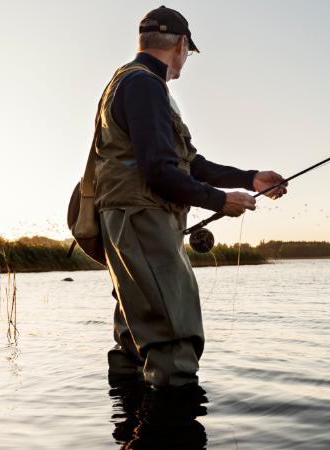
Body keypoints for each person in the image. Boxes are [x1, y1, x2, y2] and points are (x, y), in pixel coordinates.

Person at [94, 6, 287, 389]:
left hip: (128, 221)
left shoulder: (130, 82)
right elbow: (159, 172)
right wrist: (219, 201)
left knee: (134, 337)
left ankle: (131, 427)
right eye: (188, 52)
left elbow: (189, 163)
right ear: (181, 44)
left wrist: (250, 179)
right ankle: (170, 434)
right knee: (173, 339)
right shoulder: (145, 85)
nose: (185, 60)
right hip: (143, 221)